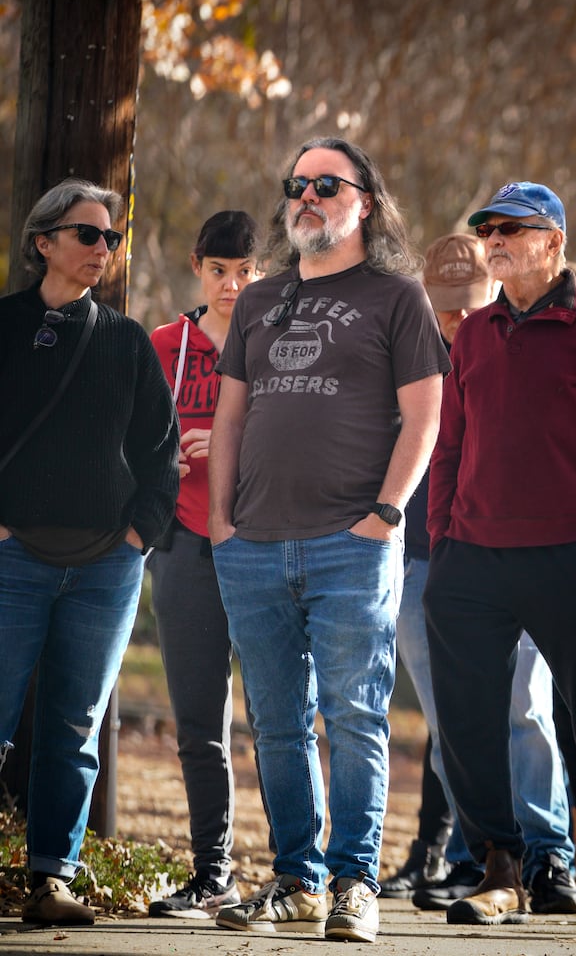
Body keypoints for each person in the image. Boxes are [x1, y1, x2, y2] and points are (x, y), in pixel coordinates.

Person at [207, 137, 449, 942]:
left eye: (326, 184)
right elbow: (232, 417)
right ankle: (298, 880)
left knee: (354, 716)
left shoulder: (397, 297)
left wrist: (384, 512)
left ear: (365, 203)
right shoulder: (258, 300)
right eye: (297, 185)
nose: (307, 196)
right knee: (275, 723)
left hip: (353, 544)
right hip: (253, 545)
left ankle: (354, 884)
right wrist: (220, 523)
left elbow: (426, 417)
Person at [423, 182, 576, 927]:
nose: (495, 239)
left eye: (512, 229)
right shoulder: (477, 332)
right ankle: (500, 868)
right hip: (474, 558)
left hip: (571, 553)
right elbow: (450, 442)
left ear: (553, 241)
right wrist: (442, 541)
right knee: (468, 719)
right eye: (487, 228)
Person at [0, 178, 180, 926]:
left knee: (73, 727)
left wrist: (138, 538)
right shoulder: (4, 328)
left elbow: (161, 454)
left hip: (105, 567)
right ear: (44, 242)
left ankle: (52, 878)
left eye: (110, 237)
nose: (102, 249)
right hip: (13, 562)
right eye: (86, 234)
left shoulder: (126, 341)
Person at [394, 234, 576, 917]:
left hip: (508, 555)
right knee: (454, 723)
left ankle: (548, 856)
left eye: (465, 307)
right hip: (420, 561)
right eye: (441, 309)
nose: (452, 323)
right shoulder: (404, 355)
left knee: (525, 707)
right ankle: (479, 858)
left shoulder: (517, 347)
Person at [145, 211, 261, 919]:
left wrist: (230, 455)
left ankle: (303, 873)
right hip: (184, 546)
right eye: (220, 271)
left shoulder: (282, 344)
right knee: (199, 722)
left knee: (281, 715)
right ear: (198, 267)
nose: (232, 285)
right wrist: (171, 454)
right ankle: (211, 873)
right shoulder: (164, 345)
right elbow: (131, 442)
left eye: (247, 272)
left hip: (263, 543)